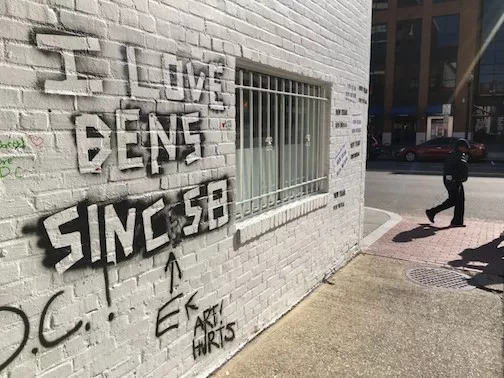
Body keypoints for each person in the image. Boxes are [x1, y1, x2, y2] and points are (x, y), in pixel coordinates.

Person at [426, 139, 470, 227]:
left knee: (460, 200)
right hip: (453, 181)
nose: (466, 149)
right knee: (453, 200)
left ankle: (457, 221)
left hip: (457, 180)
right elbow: (448, 170)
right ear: (460, 147)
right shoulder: (454, 156)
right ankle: (432, 212)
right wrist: (450, 181)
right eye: (465, 147)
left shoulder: (461, 155)